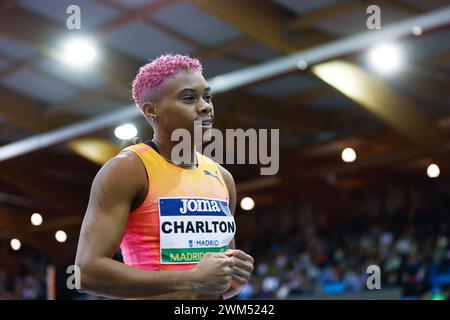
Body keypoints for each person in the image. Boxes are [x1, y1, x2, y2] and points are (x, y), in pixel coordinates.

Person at [75, 54, 254, 299]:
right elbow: (86, 272)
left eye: (207, 96)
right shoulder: (128, 169)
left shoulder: (222, 177)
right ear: (152, 111)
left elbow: (217, 284)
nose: (205, 106)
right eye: (189, 98)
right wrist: (191, 279)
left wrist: (236, 278)